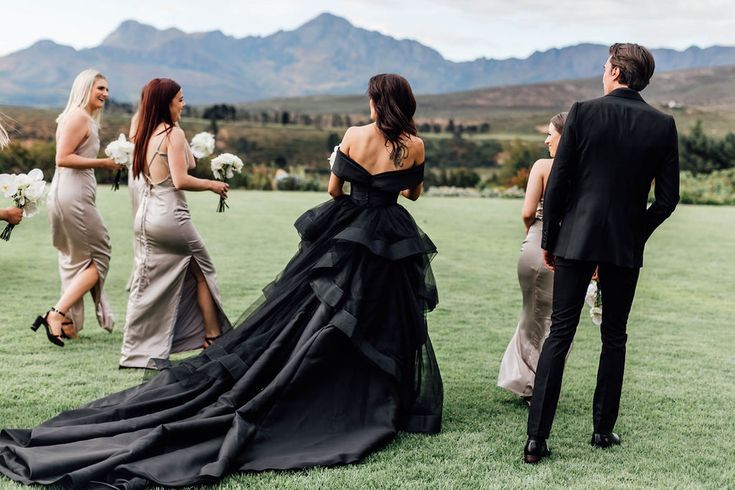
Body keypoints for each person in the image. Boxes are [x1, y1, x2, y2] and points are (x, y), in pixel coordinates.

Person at [0, 73, 442, 488]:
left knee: (321, 313)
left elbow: (333, 192)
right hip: (391, 236)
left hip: (345, 232)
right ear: (405, 104)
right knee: (384, 314)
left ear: (373, 101)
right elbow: (413, 194)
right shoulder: (416, 146)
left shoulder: (353, 136)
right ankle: (380, 396)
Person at [523, 43, 680, 463]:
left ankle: (536, 440)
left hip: (574, 239)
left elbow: (558, 184)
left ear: (614, 71)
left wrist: (551, 239)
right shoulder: (663, 124)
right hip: (623, 246)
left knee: (560, 333)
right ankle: (602, 431)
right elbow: (667, 200)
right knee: (615, 336)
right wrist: (634, 234)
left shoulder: (583, 112)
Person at [119, 78, 231, 368]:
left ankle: (137, 351)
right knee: (204, 273)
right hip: (172, 217)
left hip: (147, 218)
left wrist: (181, 134)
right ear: (166, 102)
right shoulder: (172, 133)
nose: (184, 103)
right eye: (180, 99)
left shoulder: (145, 133)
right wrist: (212, 184)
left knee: (152, 283)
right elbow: (181, 179)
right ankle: (213, 336)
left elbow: (189, 164)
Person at [33, 69, 119, 347]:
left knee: (76, 258)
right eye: (100, 89)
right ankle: (57, 314)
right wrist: (104, 164)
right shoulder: (78, 117)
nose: (105, 94)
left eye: (106, 89)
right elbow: (62, 158)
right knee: (100, 254)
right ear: (85, 89)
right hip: (72, 195)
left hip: (71, 193)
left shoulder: (80, 118)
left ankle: (68, 322)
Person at [497, 112, 567, 404]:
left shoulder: (543, 166)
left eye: (550, 133)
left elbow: (527, 212)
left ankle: (531, 385)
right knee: (557, 321)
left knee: (533, 315)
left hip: (538, 245)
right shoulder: (587, 170)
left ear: (563, 136)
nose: (546, 139)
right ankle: (541, 381)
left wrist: (534, 233)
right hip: (571, 251)